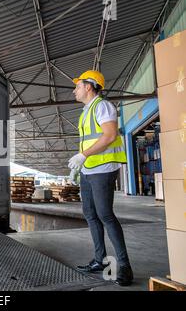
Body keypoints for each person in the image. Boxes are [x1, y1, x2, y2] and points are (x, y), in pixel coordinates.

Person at [68, 70, 133, 286]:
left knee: (105, 214)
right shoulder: (86, 112)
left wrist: (83, 155)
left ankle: (124, 266)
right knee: (90, 213)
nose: (75, 89)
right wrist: (78, 166)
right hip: (89, 170)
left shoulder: (102, 106)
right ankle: (100, 260)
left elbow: (110, 135)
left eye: (78, 85)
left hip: (103, 168)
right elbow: (88, 141)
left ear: (89, 86)